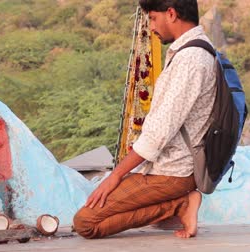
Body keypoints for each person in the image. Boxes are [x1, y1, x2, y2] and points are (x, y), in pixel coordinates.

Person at [73, 0, 216, 239]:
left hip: (173, 172)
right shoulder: (193, 51)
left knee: (86, 223)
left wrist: (116, 176)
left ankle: (180, 204)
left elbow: (158, 134)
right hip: (168, 167)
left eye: (153, 18)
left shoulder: (191, 60)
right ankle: (177, 204)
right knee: (101, 210)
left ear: (171, 14)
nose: (151, 27)